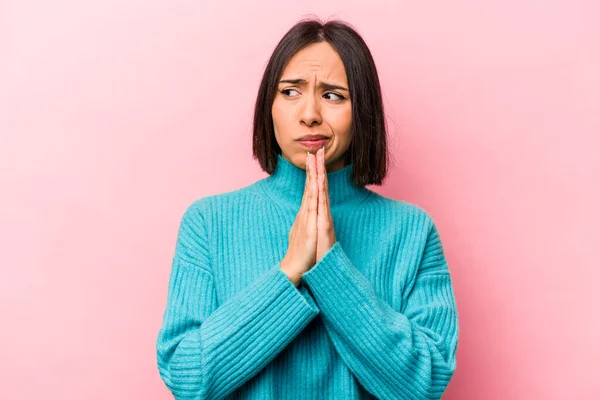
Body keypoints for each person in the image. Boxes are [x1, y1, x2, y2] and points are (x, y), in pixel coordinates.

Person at [156, 17, 459, 400]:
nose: (310, 114)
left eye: (333, 95)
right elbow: (188, 377)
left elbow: (424, 385)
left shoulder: (412, 231)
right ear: (269, 105)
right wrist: (289, 271)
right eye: (290, 92)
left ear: (361, 112)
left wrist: (330, 267)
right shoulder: (208, 222)